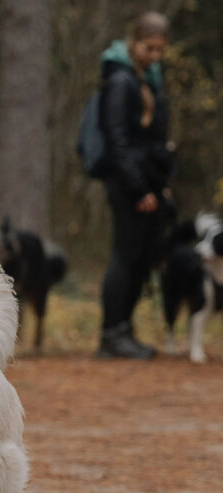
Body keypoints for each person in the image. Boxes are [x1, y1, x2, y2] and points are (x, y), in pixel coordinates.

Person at [96, 11, 175, 359]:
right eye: (150, 48)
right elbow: (118, 141)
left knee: (143, 258)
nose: (155, 56)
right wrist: (139, 188)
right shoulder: (119, 80)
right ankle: (111, 334)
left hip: (148, 183)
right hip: (128, 184)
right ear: (135, 41)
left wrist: (159, 185)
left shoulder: (147, 77)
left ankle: (124, 329)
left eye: (160, 50)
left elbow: (151, 137)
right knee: (125, 257)